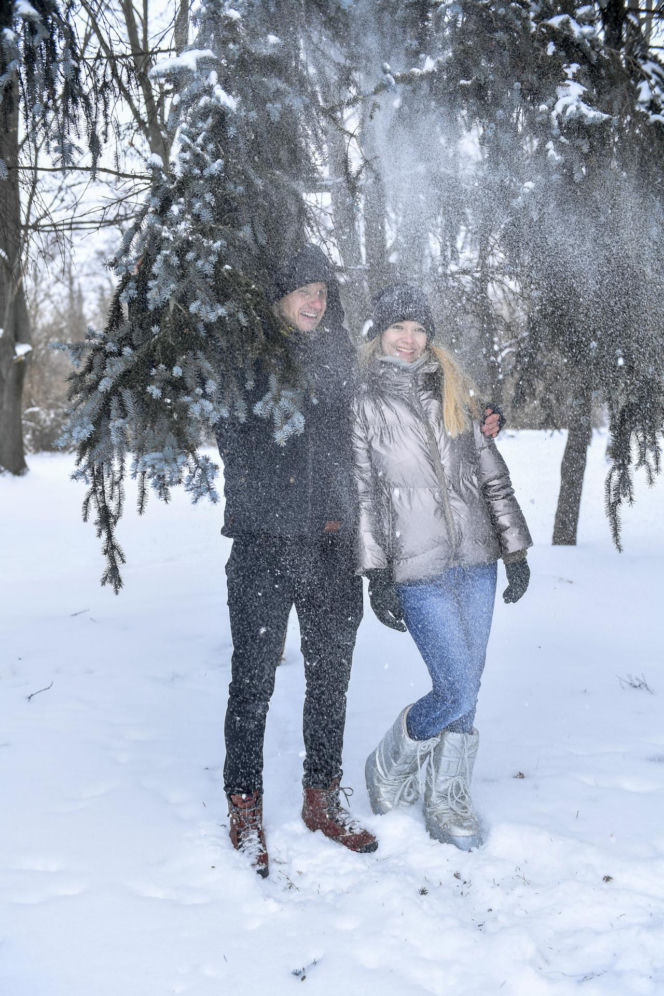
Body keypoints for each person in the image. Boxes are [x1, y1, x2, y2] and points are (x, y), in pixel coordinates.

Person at [215, 245, 377, 877]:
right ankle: (244, 804)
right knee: (253, 681)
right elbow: (233, 436)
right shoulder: (247, 359)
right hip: (264, 546)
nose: (316, 301)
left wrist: (480, 414)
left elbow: (389, 416)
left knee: (331, 679)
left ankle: (321, 797)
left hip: (334, 548)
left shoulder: (343, 361)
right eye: (304, 290)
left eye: (323, 292)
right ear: (280, 298)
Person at [352, 283, 532, 851]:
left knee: (468, 688)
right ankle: (389, 761)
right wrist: (376, 573)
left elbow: (492, 476)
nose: (409, 340)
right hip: (416, 569)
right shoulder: (362, 401)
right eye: (397, 328)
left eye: (419, 329)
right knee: (454, 689)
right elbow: (363, 495)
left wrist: (514, 550)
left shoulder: (456, 390)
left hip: (478, 562)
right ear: (379, 333)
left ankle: (448, 794)